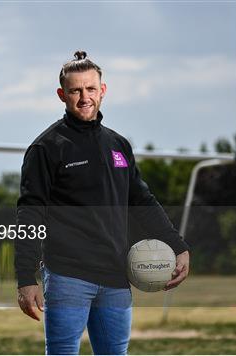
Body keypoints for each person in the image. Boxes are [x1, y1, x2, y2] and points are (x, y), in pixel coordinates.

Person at [15, 50, 190, 355]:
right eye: (75, 90)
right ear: (62, 94)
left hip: (116, 277)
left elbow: (141, 200)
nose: (85, 97)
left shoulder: (118, 145)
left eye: (91, 89)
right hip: (67, 276)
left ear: (103, 90)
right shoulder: (46, 148)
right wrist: (25, 277)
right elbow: (30, 214)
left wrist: (177, 244)